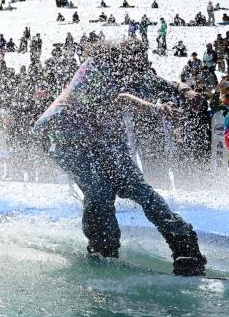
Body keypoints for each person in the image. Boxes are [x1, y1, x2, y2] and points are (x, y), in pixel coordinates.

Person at [33, 39, 207, 276]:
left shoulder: (133, 71)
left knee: (138, 189)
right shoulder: (95, 66)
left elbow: (160, 83)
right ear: (123, 57)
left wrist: (186, 92)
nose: (144, 64)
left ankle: (184, 244)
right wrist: (156, 108)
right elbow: (120, 98)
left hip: (104, 134)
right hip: (65, 132)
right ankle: (103, 248)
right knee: (99, 191)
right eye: (140, 59)